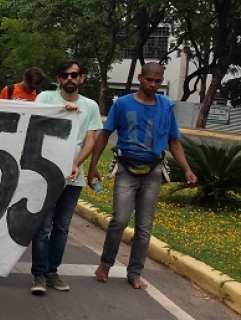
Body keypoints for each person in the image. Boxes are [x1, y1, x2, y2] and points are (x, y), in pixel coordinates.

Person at [89, 62, 196, 290]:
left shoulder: (166, 106)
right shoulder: (123, 104)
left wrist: (186, 169)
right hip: (127, 169)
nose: (153, 84)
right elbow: (105, 134)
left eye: (158, 81)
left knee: (144, 227)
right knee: (119, 220)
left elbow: (173, 141)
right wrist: (93, 165)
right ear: (140, 78)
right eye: (150, 80)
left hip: (153, 171)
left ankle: (135, 272)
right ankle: (105, 264)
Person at [29, 59, 103, 295]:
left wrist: (77, 164)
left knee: (62, 227)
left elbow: (91, 139)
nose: (69, 79)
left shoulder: (90, 106)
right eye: (64, 75)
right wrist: (61, 111)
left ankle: (52, 272)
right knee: (43, 227)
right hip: (46, 174)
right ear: (58, 79)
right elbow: (35, 120)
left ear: (81, 78)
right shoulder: (46, 99)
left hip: (73, 177)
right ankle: (39, 274)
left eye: (74, 75)